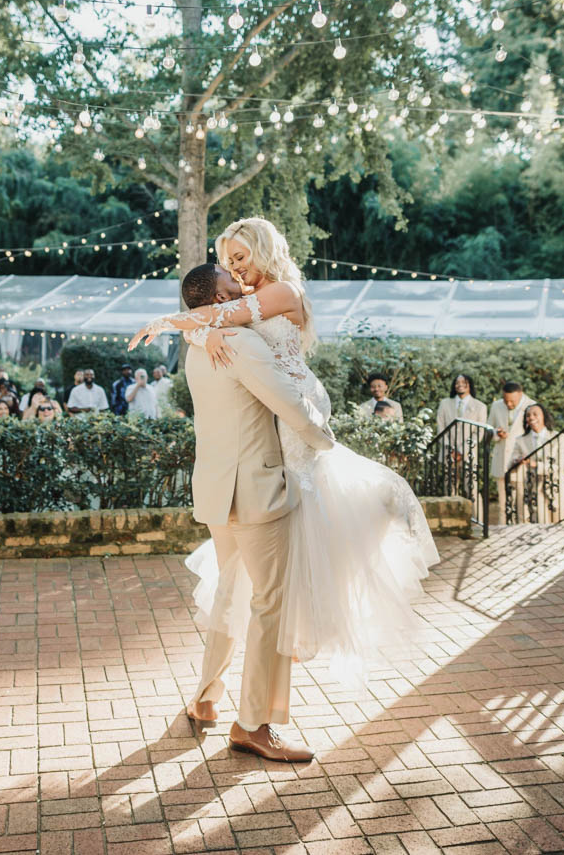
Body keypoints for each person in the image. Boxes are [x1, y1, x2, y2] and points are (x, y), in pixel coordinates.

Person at [131, 218, 440, 742]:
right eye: (227, 261)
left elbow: (221, 315)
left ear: (263, 252)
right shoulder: (236, 341)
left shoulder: (208, 343)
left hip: (219, 487)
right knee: (271, 603)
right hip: (264, 479)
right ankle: (254, 724)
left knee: (233, 591)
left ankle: (206, 699)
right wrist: (325, 440)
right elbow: (291, 408)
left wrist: (181, 322)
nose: (234, 268)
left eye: (241, 257)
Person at [511, 403, 564, 524]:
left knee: (560, 525)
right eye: (528, 415)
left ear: (544, 417)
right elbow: (512, 462)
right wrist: (517, 460)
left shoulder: (559, 437)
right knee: (541, 524)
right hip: (534, 488)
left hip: (556, 487)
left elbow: (560, 466)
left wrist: (535, 465)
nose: (531, 418)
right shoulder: (520, 440)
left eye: (535, 414)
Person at [488, 380, 537, 476]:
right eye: (506, 401)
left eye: (512, 401)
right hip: (500, 461)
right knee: (501, 491)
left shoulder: (533, 406)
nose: (509, 404)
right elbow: (488, 428)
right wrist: (496, 433)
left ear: (520, 394)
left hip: (521, 462)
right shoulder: (496, 405)